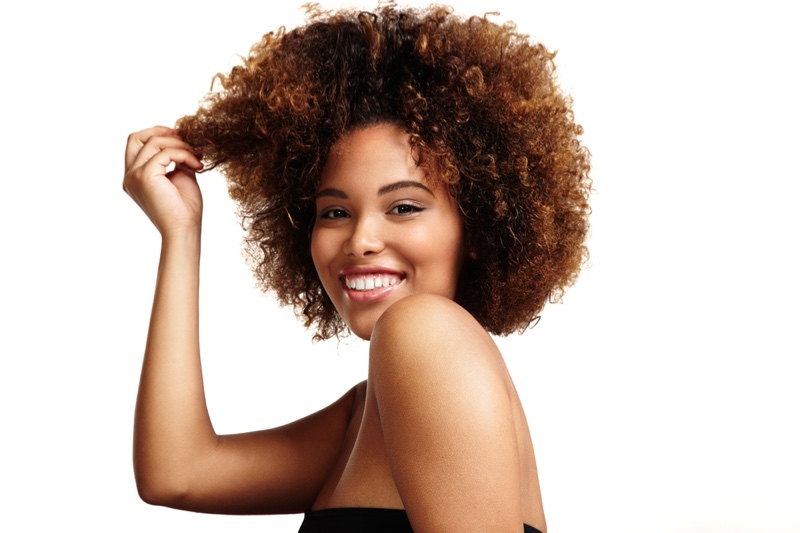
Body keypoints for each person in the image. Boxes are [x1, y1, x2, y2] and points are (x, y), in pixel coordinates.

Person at [123, 4, 590, 532]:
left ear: (478, 229)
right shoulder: (368, 412)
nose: (361, 240)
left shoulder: (423, 333)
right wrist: (181, 232)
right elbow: (177, 472)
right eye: (335, 212)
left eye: (405, 206)